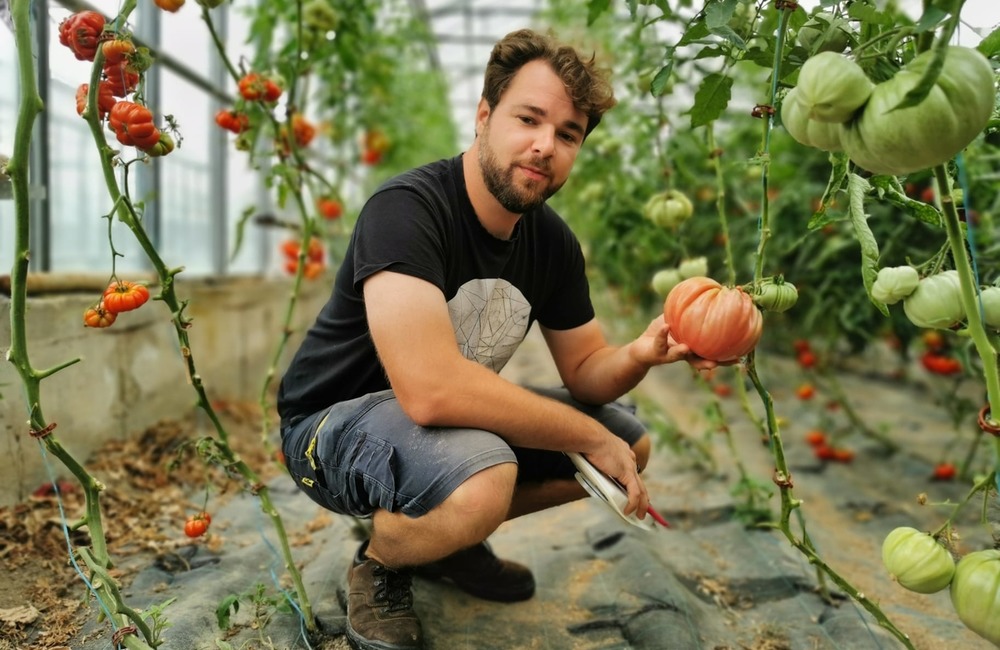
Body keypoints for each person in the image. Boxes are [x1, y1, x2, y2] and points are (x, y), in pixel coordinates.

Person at [277, 27, 714, 650]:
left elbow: (586, 366)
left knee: (628, 446)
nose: (545, 146)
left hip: (432, 430)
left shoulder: (553, 243)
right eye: (528, 119)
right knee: (489, 476)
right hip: (329, 429)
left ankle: (442, 543)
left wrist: (643, 352)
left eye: (568, 134)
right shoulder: (407, 210)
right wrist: (587, 435)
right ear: (484, 116)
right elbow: (429, 392)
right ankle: (382, 564)